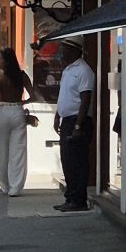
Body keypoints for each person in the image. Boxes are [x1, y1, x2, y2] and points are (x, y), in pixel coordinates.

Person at [53, 38, 96, 213]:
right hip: (66, 120)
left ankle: (78, 200)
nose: (61, 53)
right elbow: (63, 96)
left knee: (77, 162)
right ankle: (70, 197)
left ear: (74, 50)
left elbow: (85, 99)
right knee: (67, 161)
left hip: (78, 121)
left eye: (64, 49)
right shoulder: (67, 70)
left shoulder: (84, 71)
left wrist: (78, 126)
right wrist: (57, 116)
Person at [0, 47, 33, 198]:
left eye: (0, 58)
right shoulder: (22, 75)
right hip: (17, 111)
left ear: (5, 61)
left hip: (3, 111)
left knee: (2, 150)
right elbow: (33, 95)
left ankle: (4, 185)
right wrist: (23, 102)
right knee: (18, 150)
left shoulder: (0, 77)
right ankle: (15, 187)